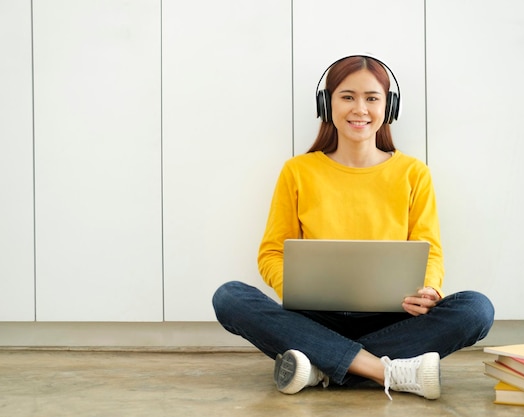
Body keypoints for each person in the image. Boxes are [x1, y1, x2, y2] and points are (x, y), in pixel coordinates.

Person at [212, 55, 494, 400]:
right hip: (314, 316)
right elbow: (271, 252)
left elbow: (429, 249)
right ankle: (383, 370)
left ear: (388, 107)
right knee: (229, 297)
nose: (359, 108)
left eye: (371, 98)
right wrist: (298, 288)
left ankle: (319, 365)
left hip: (392, 316)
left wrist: (429, 290)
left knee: (476, 309)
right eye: (347, 96)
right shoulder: (298, 171)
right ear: (326, 103)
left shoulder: (413, 173)